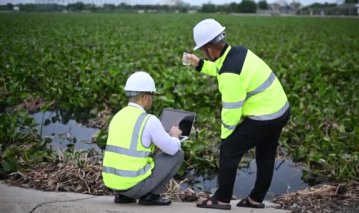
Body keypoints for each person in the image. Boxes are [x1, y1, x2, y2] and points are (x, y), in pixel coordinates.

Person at [184, 19, 291, 210]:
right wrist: (199, 64)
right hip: (280, 110)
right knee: (265, 156)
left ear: (209, 48)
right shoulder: (237, 52)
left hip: (265, 116)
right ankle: (255, 199)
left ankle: (222, 199)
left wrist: (226, 138)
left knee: (229, 150)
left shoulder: (229, 73)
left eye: (202, 51)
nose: (203, 53)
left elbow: (231, 111)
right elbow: (220, 68)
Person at [102, 71, 184, 206]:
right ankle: (151, 196)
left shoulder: (118, 116)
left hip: (113, 184)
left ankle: (123, 196)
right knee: (178, 154)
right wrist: (175, 136)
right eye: (152, 95)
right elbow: (172, 149)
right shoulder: (149, 120)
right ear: (145, 97)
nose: (153, 98)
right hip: (134, 187)